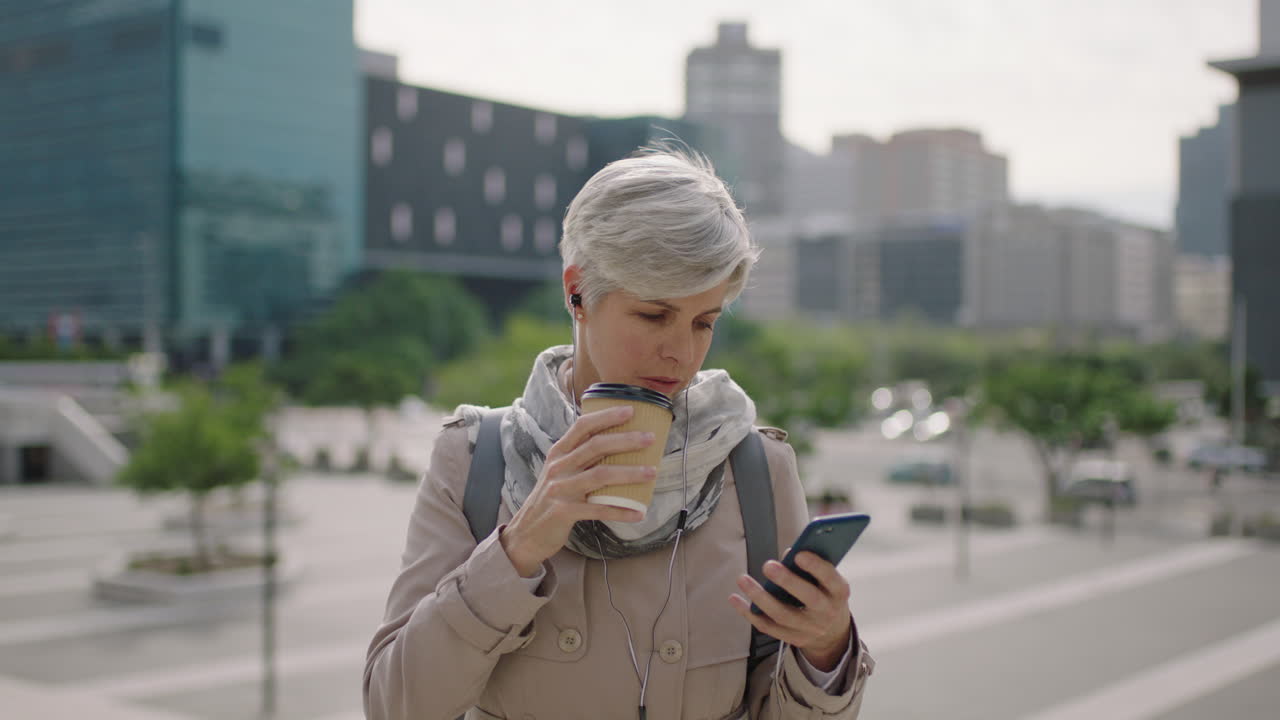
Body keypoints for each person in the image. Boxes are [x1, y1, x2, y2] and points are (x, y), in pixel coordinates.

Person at [363, 146, 874, 719]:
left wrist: (826, 649)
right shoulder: (476, 459)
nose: (680, 352)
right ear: (576, 293)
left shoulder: (754, 468)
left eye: (704, 322)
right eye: (653, 316)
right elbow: (394, 706)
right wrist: (518, 548)